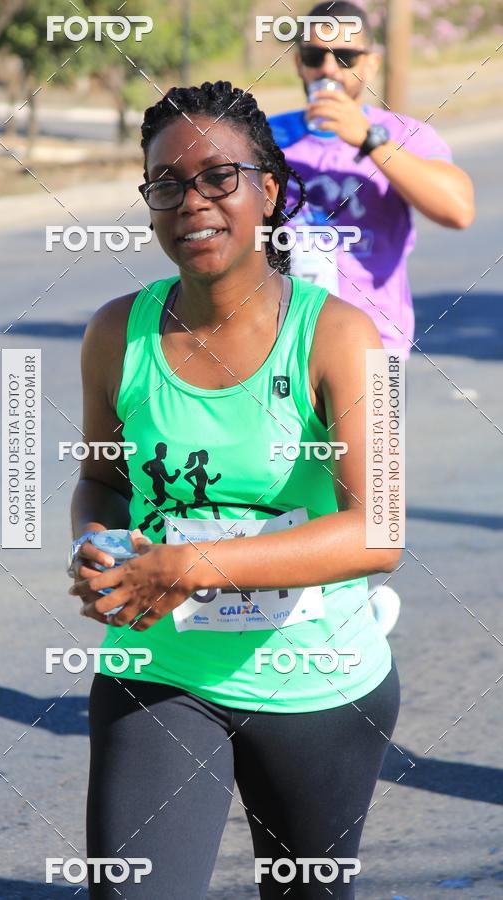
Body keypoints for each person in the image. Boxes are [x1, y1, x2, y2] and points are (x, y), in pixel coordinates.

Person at [69, 80, 401, 899]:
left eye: (220, 176)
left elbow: (380, 531)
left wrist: (190, 566)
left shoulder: (341, 335)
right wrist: (98, 546)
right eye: (167, 184)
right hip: (161, 668)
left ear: (269, 192)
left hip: (316, 680)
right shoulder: (116, 332)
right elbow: (101, 479)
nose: (193, 201)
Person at [268, 0, 475, 634]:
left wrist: (368, 139)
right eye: (314, 54)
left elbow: (457, 208)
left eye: (346, 56)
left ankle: (351, 620)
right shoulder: (266, 135)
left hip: (372, 350)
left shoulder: (404, 135)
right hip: (273, 343)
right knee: (272, 486)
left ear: (372, 63)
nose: (329, 68)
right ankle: (282, 626)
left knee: (367, 505)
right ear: (298, 62)